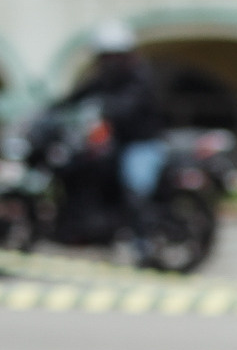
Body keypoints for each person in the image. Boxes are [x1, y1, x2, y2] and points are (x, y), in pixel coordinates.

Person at [61, 21, 168, 239]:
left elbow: (128, 105)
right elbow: (77, 96)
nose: (108, 61)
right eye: (104, 56)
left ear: (125, 54)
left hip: (140, 143)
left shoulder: (140, 77)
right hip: (115, 143)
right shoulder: (103, 78)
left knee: (134, 187)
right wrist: (51, 109)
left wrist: (103, 107)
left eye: (113, 55)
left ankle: (143, 242)